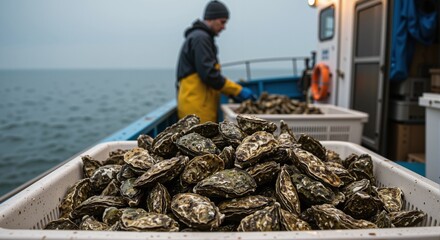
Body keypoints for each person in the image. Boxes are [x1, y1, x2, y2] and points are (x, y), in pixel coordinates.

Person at [176, 0, 254, 123]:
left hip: (199, 107)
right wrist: (237, 90)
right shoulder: (201, 39)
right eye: (222, 22)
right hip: (197, 111)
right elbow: (209, 74)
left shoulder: (201, 37)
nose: (224, 27)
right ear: (211, 18)